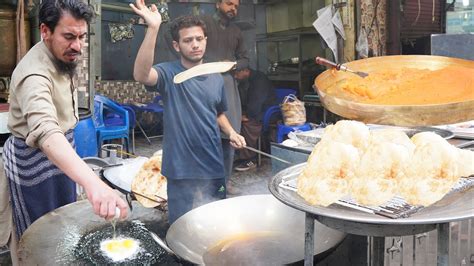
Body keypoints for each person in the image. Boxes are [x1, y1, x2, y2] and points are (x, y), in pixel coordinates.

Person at [1, 0, 129, 247]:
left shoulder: (60, 55)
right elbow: (47, 132)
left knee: (62, 227)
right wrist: (94, 184)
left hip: (62, 158)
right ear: (45, 31)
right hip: (33, 164)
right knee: (36, 241)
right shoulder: (33, 74)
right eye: (69, 36)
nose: (78, 46)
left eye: (82, 36)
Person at [130, 0, 246, 224]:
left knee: (215, 221)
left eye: (199, 39)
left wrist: (231, 132)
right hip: (180, 167)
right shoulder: (168, 73)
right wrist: (153, 29)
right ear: (177, 46)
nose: (195, 44)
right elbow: (141, 75)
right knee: (180, 224)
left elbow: (218, 112)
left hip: (213, 163)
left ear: (205, 40)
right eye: (188, 40)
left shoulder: (215, 75)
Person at [200, 0, 249, 184]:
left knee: (230, 134)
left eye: (236, 7)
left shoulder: (236, 32)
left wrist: (233, 65)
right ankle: (203, 186)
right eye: (229, 4)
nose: (233, 9)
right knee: (204, 132)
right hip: (202, 80)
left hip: (227, 83)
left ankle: (224, 184)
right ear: (217, 3)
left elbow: (245, 59)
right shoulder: (202, 23)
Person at [233, 68, 277, 171]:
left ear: (245, 71)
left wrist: (247, 116)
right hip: (258, 110)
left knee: (248, 125)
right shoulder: (247, 80)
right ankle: (241, 155)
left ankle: (251, 159)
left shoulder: (259, 81)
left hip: (267, 112)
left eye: (236, 73)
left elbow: (256, 104)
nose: (235, 76)